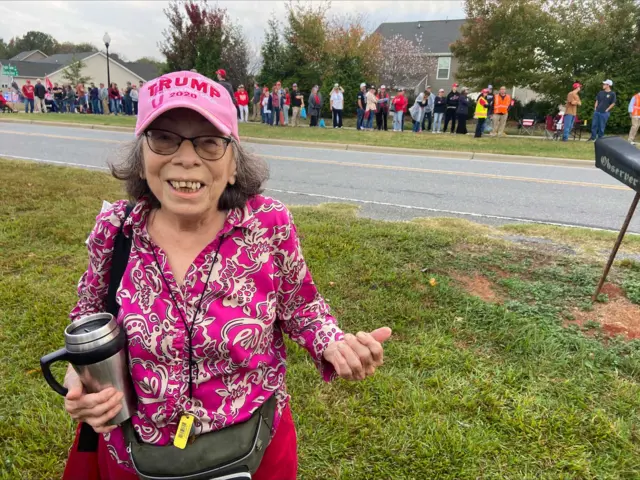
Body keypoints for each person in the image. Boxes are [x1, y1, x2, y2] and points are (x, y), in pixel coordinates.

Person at [60, 69, 391, 480]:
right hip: (137, 455)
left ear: (233, 163)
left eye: (209, 142)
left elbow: (302, 308)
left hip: (250, 450)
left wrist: (334, 343)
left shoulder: (268, 225)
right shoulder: (115, 228)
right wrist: (80, 378)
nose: (186, 157)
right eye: (164, 138)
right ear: (141, 158)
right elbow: (87, 319)